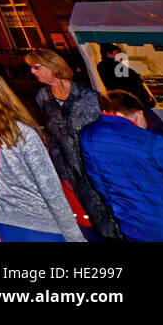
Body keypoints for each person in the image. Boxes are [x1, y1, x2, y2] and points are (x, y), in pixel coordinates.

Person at [0, 66, 84, 241]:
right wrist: (73, 234)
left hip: (3, 222)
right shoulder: (22, 132)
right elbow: (50, 186)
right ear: (3, 90)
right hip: (41, 222)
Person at [26, 48, 121, 240]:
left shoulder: (89, 97)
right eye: (31, 68)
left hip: (100, 170)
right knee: (97, 220)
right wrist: (63, 171)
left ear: (53, 66)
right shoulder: (42, 97)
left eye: (37, 67)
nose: (32, 72)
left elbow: (105, 135)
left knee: (116, 215)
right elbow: (51, 138)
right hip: (74, 172)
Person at [78, 91, 163, 242]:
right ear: (139, 113)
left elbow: (98, 182)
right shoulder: (153, 142)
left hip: (129, 222)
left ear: (105, 111)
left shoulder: (88, 135)